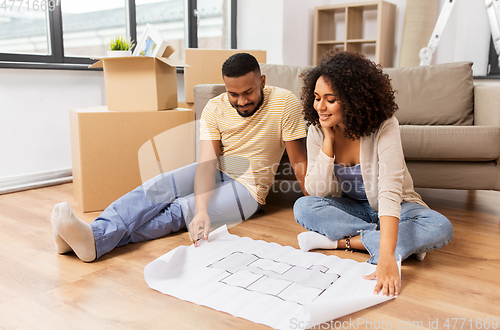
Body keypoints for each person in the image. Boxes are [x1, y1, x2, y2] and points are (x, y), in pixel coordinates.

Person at [51, 53, 308, 262]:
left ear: (262, 81)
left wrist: (314, 205)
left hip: (249, 189)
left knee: (180, 210)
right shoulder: (215, 108)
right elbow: (207, 163)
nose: (241, 101)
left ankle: (91, 240)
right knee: (157, 187)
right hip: (218, 169)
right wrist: (202, 209)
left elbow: (298, 161)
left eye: (248, 92)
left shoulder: (285, 103)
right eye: (233, 94)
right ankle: (90, 236)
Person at [293, 51, 453, 297]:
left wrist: (387, 257)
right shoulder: (317, 130)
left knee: (440, 227)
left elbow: (390, 190)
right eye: (316, 98)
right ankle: (391, 241)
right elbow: (317, 191)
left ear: (353, 99)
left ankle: (342, 242)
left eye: (330, 99)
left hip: (398, 205)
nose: (320, 107)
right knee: (303, 206)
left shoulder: (385, 126)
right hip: (352, 207)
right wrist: (328, 141)